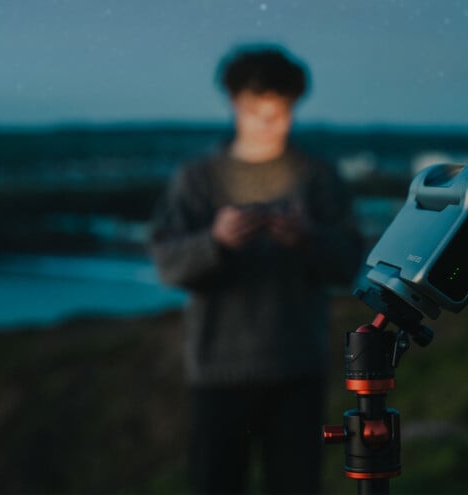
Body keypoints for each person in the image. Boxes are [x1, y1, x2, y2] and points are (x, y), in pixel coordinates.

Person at [149, 44, 363, 494]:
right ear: (233, 104)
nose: (267, 124)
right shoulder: (197, 178)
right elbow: (167, 264)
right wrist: (216, 242)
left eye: (278, 112)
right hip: (217, 372)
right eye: (255, 111)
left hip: (297, 370)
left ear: (294, 106)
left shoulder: (318, 177)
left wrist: (308, 238)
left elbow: (353, 265)